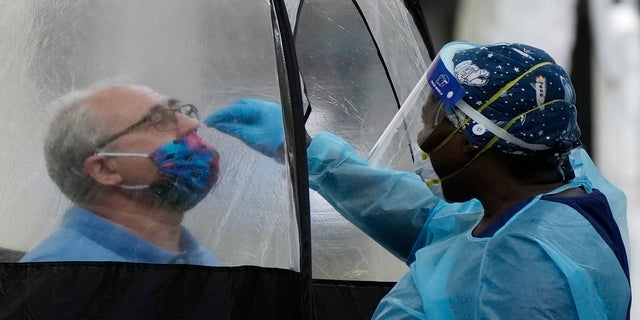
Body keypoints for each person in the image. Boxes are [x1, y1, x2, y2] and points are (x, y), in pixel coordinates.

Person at [205, 42, 631, 318]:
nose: (423, 140)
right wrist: (312, 153)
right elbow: (436, 225)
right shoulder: (550, 193)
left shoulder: (523, 277)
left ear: (470, 142)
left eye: (431, 122)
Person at [20, 84, 220, 266]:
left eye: (181, 111)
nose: (192, 123)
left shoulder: (198, 260)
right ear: (105, 168)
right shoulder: (60, 275)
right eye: (159, 120)